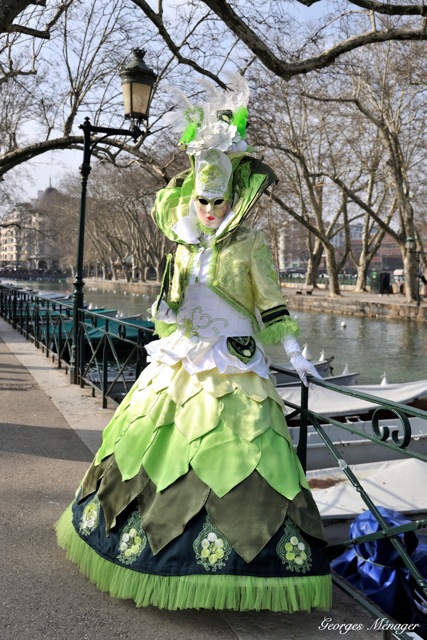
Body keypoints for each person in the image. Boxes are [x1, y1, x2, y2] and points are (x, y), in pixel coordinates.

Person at [56, 76, 332, 612]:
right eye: (202, 199)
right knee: (156, 451)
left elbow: (271, 303)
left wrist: (295, 353)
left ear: (234, 197)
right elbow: (171, 303)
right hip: (180, 361)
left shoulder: (250, 244)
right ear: (193, 196)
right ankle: (153, 550)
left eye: (218, 200)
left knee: (244, 455)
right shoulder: (181, 242)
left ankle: (240, 568)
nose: (209, 209)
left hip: (235, 363)